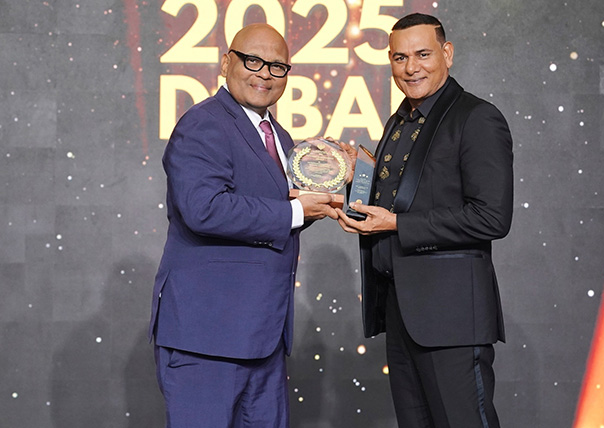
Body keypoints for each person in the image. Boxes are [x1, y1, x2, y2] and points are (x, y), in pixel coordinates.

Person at [148, 23, 337, 428]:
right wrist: (295, 212)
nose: (264, 73)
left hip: (263, 338)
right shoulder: (203, 123)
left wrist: (321, 204)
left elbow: (272, 217)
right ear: (225, 64)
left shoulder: (280, 137)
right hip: (207, 337)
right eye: (252, 61)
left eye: (277, 66)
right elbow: (203, 209)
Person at [335, 13, 514, 428]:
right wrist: (357, 179)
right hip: (401, 311)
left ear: (447, 53)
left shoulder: (476, 117)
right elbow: (398, 197)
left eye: (422, 54)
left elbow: (491, 217)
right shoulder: (399, 121)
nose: (411, 67)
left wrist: (398, 225)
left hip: (451, 319)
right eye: (400, 58)